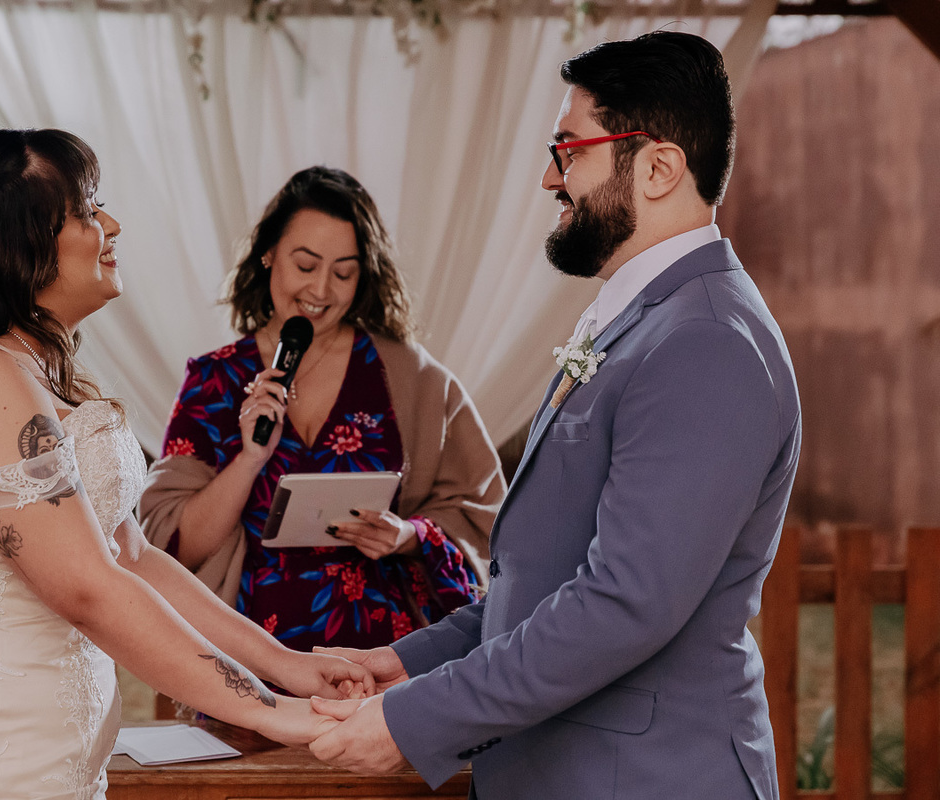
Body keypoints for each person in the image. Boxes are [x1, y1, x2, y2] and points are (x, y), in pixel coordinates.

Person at [308, 31, 802, 800]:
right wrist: (409, 662)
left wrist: (416, 719)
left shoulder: (706, 341)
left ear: (659, 167)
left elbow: (624, 603)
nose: (549, 177)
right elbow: (545, 576)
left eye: (568, 150)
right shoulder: (645, 320)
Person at [0, 125, 371, 799]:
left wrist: (285, 666)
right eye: (86, 210)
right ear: (9, 243)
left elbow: (130, 558)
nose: (110, 225)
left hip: (48, 763)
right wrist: (271, 713)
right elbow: (88, 589)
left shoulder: (31, 373)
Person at [140, 166, 506, 652]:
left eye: (343, 273)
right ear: (268, 254)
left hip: (383, 659)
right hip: (250, 658)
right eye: (306, 266)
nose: (320, 291)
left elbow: (485, 516)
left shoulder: (414, 377)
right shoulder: (213, 380)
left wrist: (408, 534)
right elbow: (173, 548)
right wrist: (249, 460)